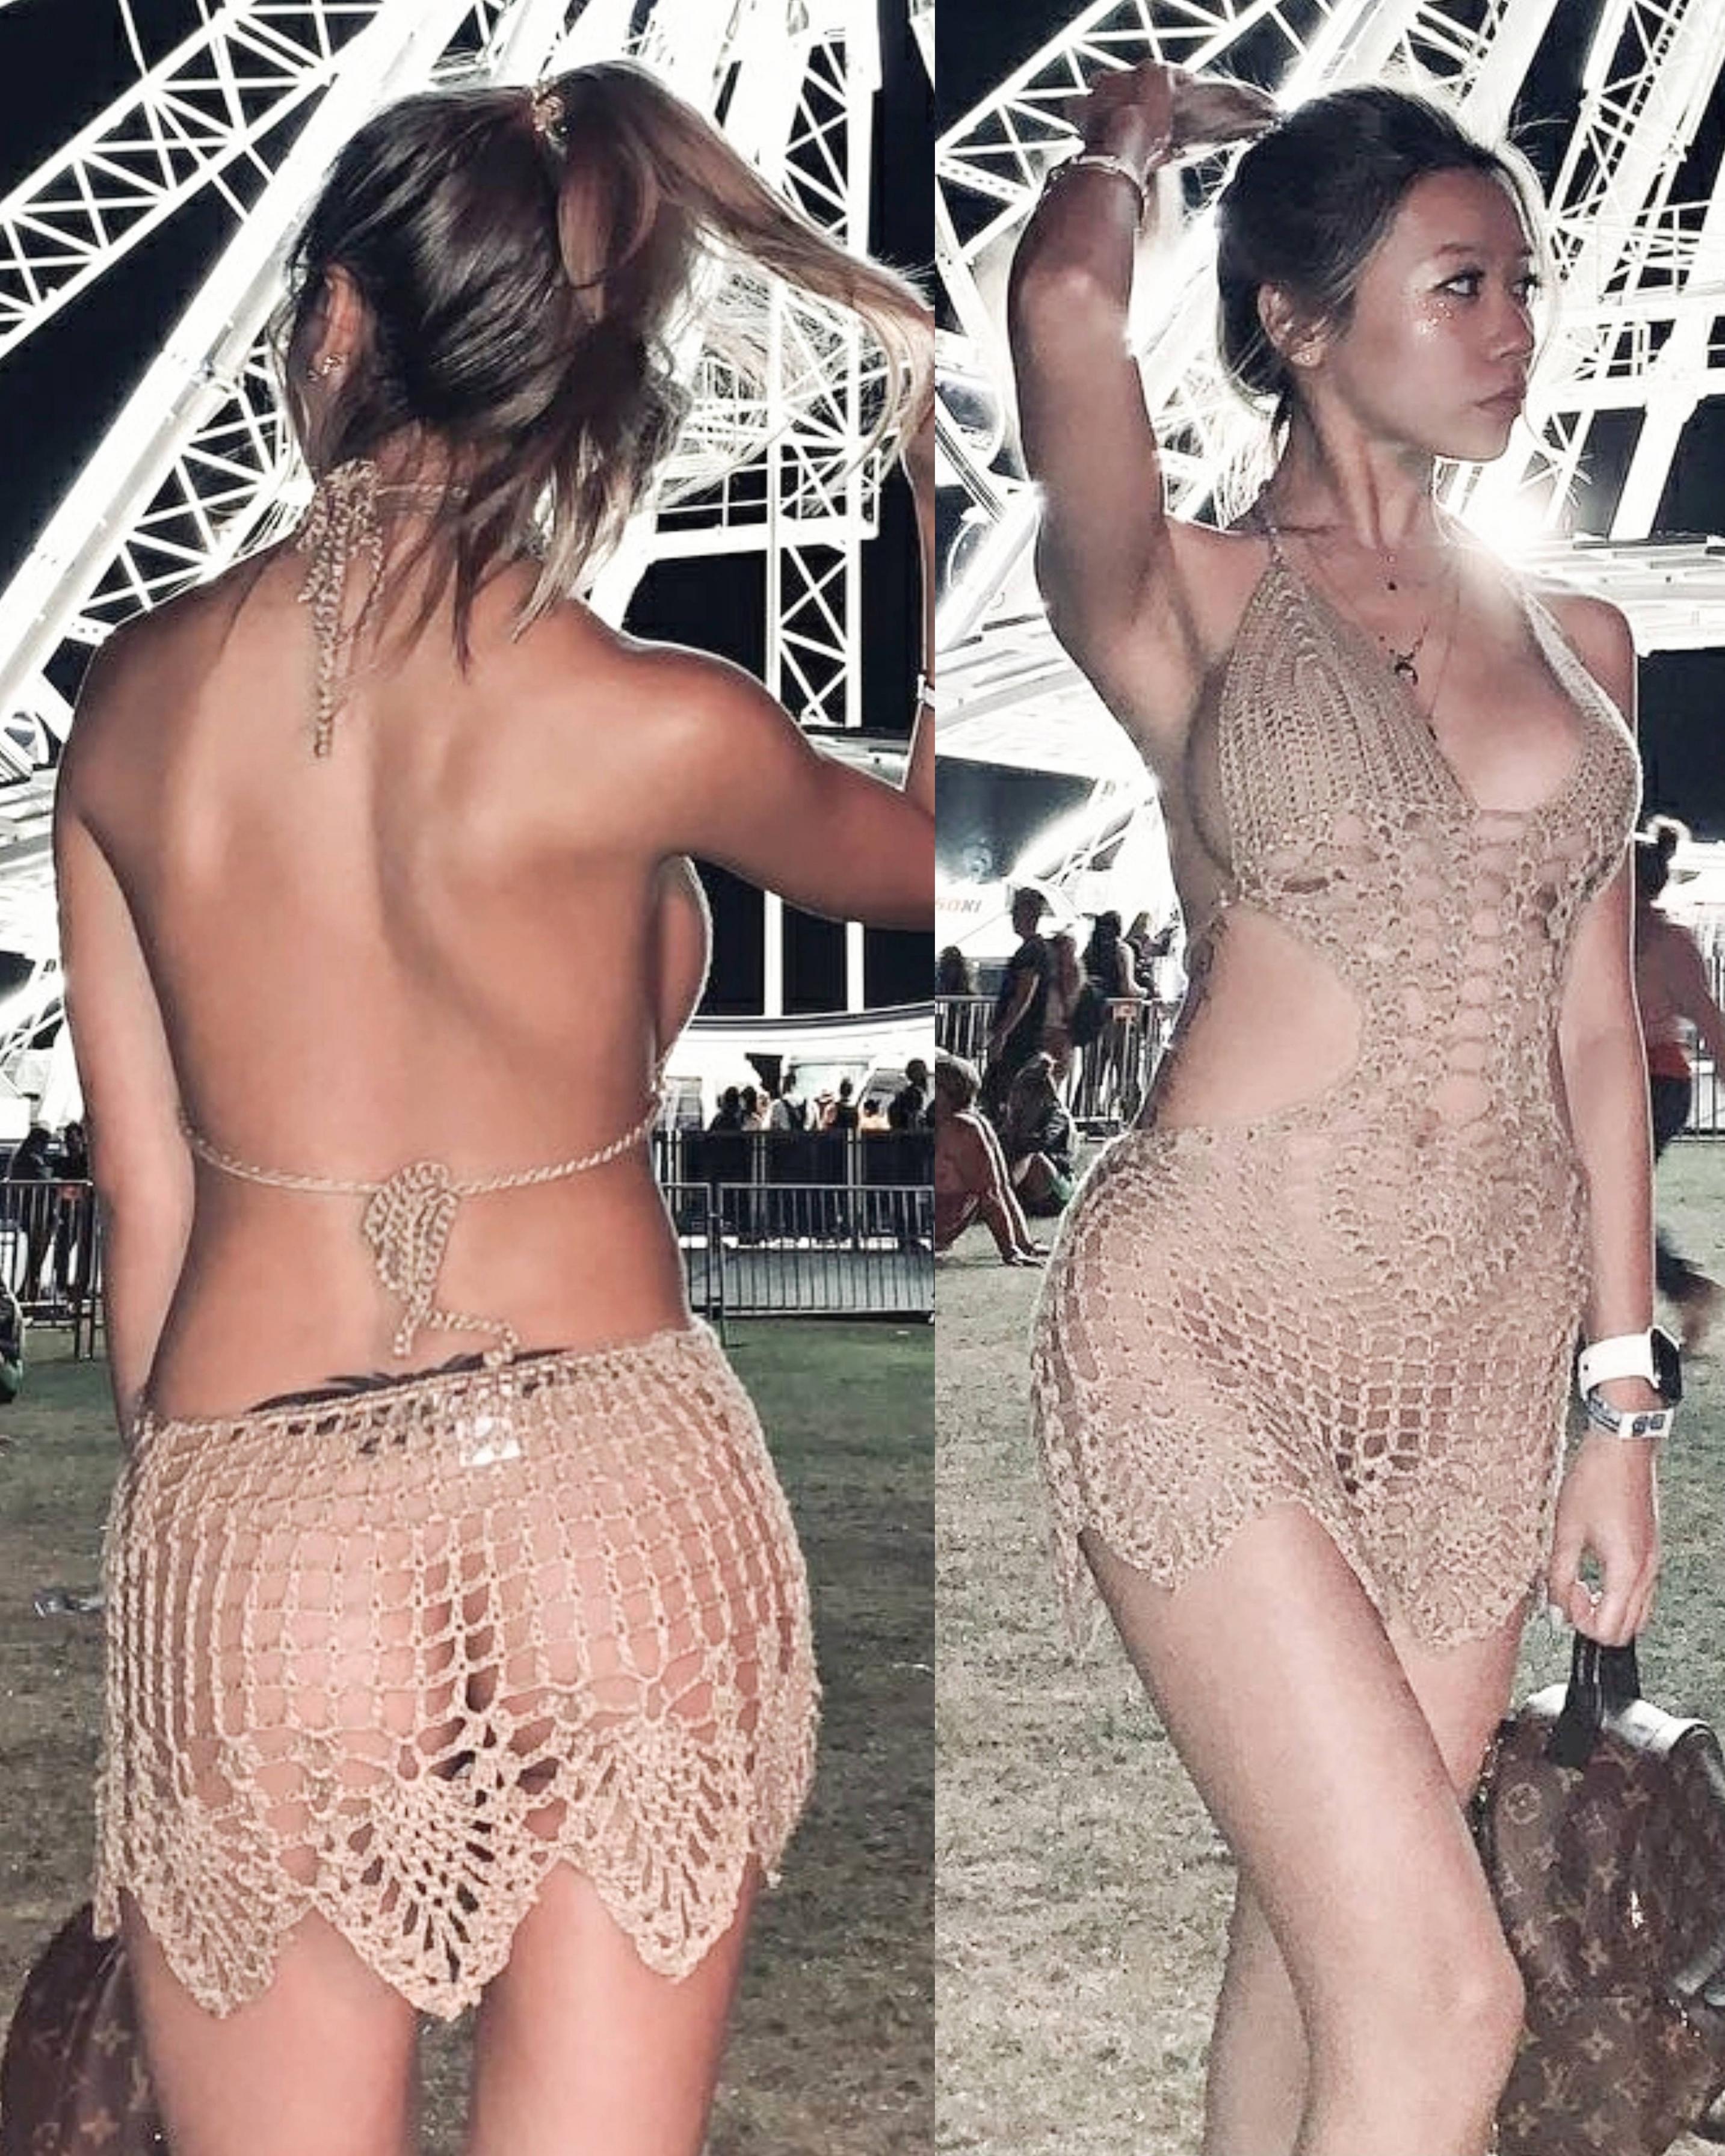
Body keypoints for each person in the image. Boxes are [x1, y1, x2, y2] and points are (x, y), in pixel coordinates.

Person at [56, 61, 931, 2156]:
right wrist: (929, 507)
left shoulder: (134, 713)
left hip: (273, 1513)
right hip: (618, 1490)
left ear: (339, 318)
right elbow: (921, 863)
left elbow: (149, 1219)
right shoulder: (651, 723)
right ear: (577, 359)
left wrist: (186, 1574)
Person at [1011, 69, 1661, 2155]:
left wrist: (1618, 1403)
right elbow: (1058, 314)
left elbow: (1592, 1043)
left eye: (1520, 285)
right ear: (1296, 322)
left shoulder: (1580, 644)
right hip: (1206, 1323)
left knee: (1317, 1965)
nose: (1513, 328)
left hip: (1477, 1371)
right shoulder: (1182, 594)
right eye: (1458, 284)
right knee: (1444, 1995)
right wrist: (1125, 139)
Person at [1633, 815, 1725, 1351]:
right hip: (1631, 1080)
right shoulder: (1610, 937)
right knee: (1596, 1198)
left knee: (1603, 1198)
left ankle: (1684, 1288)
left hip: (1657, 1082)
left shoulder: (1669, 942)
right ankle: (1683, 1289)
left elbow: (1707, 1017)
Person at [933, 1054, 1044, 1264]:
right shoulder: (974, 1121)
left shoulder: (961, 1127)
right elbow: (1001, 1189)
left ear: (944, 1091)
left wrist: (1011, 1250)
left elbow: (992, 1192)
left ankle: (1019, 1246)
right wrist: (1020, 1244)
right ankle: (1021, 1245)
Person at [980, 887, 1052, 1116]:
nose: (1013, 917)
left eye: (1016, 912)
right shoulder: (1037, 950)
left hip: (1020, 1037)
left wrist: (1003, 1033)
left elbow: (1023, 996)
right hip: (1023, 1034)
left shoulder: (1031, 952)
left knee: (1004, 1090)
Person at [889, 1056, 931, 1131]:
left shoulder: (931, 1091)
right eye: (917, 1071)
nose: (924, 1074)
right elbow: (913, 1118)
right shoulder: (910, 1095)